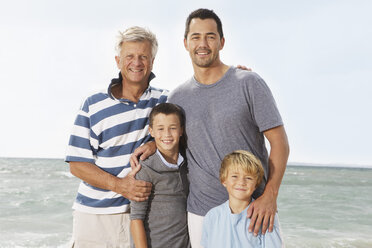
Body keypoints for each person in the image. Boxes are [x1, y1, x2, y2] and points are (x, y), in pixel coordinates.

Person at [167, 8, 290, 247]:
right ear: (185, 43)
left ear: (221, 42)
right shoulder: (177, 98)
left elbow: (280, 144)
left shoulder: (249, 83)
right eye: (196, 37)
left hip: (253, 209)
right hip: (201, 212)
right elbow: (167, 138)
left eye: (210, 36)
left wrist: (270, 196)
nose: (203, 43)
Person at [65, 26, 168, 247]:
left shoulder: (165, 101)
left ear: (152, 62)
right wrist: (119, 185)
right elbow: (77, 164)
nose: (137, 63)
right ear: (118, 61)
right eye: (130, 56)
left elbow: (199, 109)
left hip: (143, 216)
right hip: (95, 217)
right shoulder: (93, 104)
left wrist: (154, 144)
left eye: (144, 56)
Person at [130, 103, 190, 248]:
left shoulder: (187, 163)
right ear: (151, 131)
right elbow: (136, 219)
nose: (167, 134)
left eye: (173, 128)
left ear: (181, 130)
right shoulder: (145, 169)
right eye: (160, 129)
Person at [201, 150, 283, 248]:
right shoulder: (212, 216)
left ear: (256, 184)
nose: (241, 182)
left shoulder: (264, 216)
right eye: (235, 176)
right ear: (224, 180)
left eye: (248, 178)